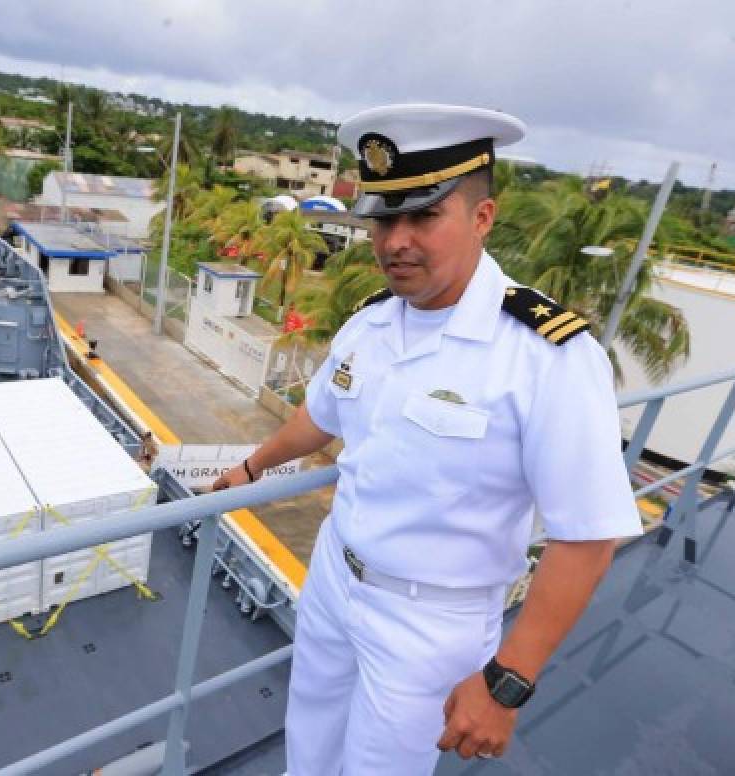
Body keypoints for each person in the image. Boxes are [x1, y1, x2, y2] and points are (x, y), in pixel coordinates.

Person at [212, 104, 643, 774]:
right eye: (386, 217)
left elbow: (587, 536)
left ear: (482, 217)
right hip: (332, 577)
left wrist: (507, 681)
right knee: (309, 745)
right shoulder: (372, 323)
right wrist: (250, 468)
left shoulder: (544, 354)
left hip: (430, 621)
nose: (396, 241)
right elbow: (322, 416)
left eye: (424, 216)